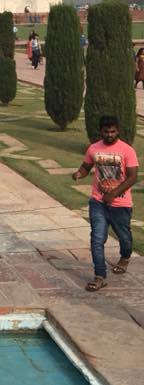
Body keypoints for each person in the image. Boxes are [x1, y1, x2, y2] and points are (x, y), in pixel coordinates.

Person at [72, 115, 139, 292]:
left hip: (121, 205)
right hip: (98, 202)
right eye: (106, 131)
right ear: (101, 131)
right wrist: (79, 173)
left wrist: (114, 194)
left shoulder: (127, 150)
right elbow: (86, 167)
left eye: (113, 131)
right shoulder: (93, 148)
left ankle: (125, 257)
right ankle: (99, 276)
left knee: (124, 238)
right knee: (97, 239)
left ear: (118, 131)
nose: (110, 135)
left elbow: (133, 177)